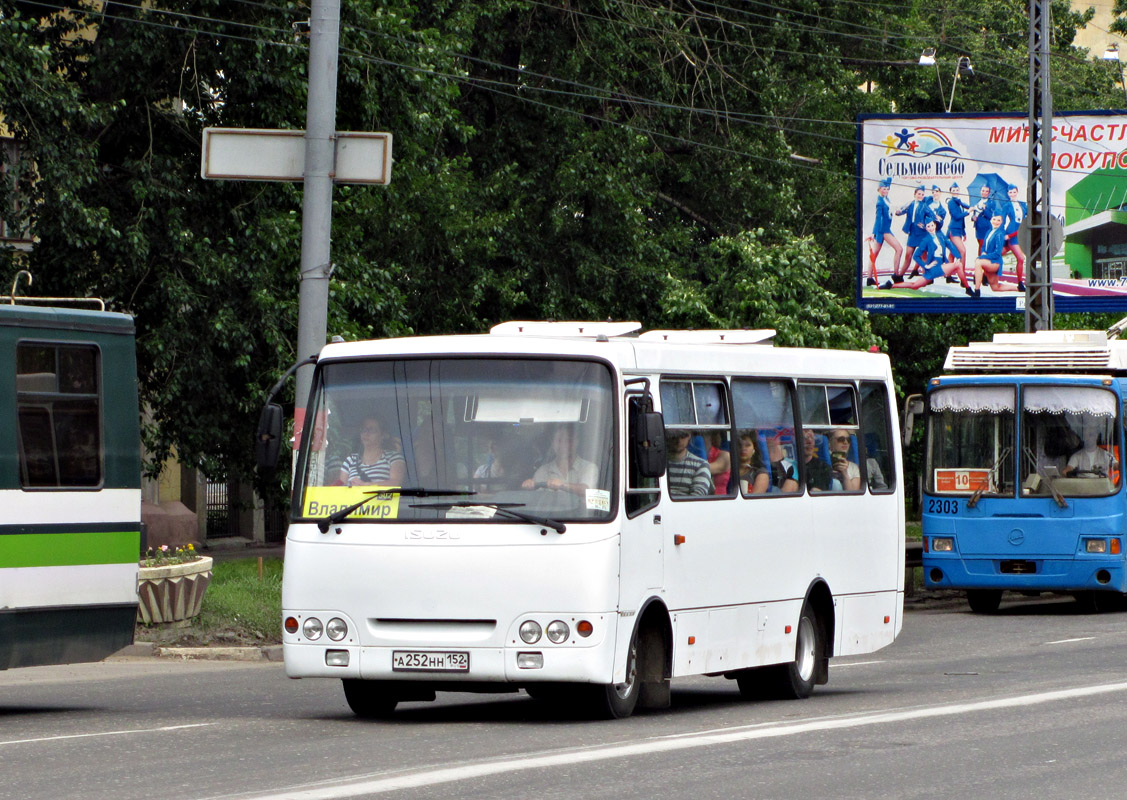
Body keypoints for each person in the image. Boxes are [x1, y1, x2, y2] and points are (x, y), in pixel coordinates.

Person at [880, 219, 973, 295]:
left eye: (932, 225)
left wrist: (957, 256)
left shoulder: (941, 235)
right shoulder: (925, 240)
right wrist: (925, 266)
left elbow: (950, 245)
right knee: (958, 266)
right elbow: (916, 256)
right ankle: (968, 289)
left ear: (935, 225)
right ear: (926, 228)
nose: (931, 228)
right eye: (928, 226)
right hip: (935, 268)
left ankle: (891, 285)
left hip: (942, 265)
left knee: (915, 286)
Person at [522, 425, 597, 495]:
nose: (563, 445)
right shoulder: (543, 471)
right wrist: (529, 487)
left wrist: (562, 485)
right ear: (552, 444)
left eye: (568, 440)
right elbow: (535, 500)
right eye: (559, 440)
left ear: (577, 442)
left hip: (580, 510)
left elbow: (587, 491)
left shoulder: (589, 468)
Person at [339, 416, 406, 487]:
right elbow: (340, 489)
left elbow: (395, 483)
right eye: (364, 429)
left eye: (372, 430)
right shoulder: (350, 460)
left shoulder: (393, 457)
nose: (366, 433)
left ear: (383, 435)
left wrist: (366, 486)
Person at [892, 185, 936, 282]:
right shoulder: (910, 204)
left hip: (922, 234)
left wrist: (925, 225)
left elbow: (932, 216)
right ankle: (899, 276)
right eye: (919, 194)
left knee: (924, 256)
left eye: (922, 194)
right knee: (908, 255)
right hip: (912, 232)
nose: (920, 196)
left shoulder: (924, 206)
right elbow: (900, 212)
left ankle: (928, 277)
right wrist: (898, 212)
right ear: (915, 194)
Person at [864, 177, 902, 287]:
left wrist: (897, 211)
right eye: (884, 189)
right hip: (883, 230)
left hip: (886, 229)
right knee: (899, 249)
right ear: (879, 189)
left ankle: (870, 278)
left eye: (887, 189)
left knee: (874, 254)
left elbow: (889, 212)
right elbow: (878, 218)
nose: (885, 191)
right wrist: (874, 233)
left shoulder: (886, 199)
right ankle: (896, 274)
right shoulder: (880, 202)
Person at [973, 214, 1017, 295]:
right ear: (991, 220)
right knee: (996, 288)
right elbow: (983, 246)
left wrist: (983, 256)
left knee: (978, 262)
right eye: (994, 219)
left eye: (998, 220)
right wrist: (983, 252)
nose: (996, 222)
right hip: (989, 261)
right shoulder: (989, 231)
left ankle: (977, 291)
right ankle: (1019, 288)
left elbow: (997, 253)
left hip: (995, 262)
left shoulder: (1000, 234)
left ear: (1002, 222)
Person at [665, 429, 714, 496]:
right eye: (674, 436)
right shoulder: (657, 463)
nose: (679, 440)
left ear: (689, 436)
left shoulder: (701, 465)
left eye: (683, 436)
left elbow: (697, 497)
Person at [1001, 184, 1027, 291]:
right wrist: (1002, 234)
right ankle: (1020, 283)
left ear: (1017, 192)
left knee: (997, 254)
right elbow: (1001, 220)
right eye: (1010, 192)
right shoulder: (1006, 205)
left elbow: (1029, 217)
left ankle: (983, 272)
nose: (1012, 194)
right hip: (1011, 232)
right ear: (1008, 194)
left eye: (1014, 192)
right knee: (1021, 258)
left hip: (1020, 232)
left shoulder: (1023, 204)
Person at [944, 183, 972, 280]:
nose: (955, 191)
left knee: (952, 253)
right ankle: (962, 275)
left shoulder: (959, 202)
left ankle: (948, 276)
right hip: (953, 230)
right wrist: (968, 212)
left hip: (959, 230)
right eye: (953, 190)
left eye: (957, 190)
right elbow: (956, 217)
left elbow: (962, 219)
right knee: (962, 252)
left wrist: (964, 232)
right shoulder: (951, 202)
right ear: (950, 191)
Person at [736, 430, 769, 494]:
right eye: (739, 445)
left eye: (747, 445)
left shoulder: (760, 473)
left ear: (754, 449)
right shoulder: (730, 470)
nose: (743, 448)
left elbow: (755, 499)